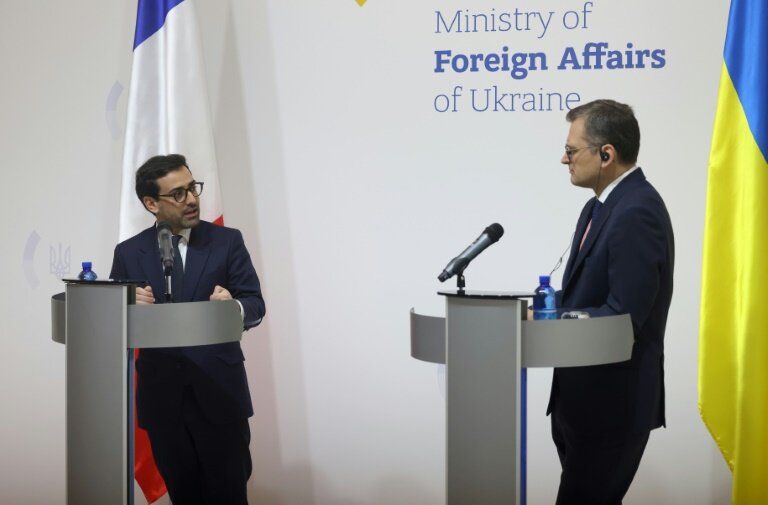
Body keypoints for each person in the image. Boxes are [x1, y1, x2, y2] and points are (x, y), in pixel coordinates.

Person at [110, 154, 266, 505]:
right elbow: (113, 327)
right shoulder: (129, 252)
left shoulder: (227, 241)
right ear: (151, 203)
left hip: (219, 396)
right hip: (163, 400)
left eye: (193, 188)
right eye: (178, 194)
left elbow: (255, 304)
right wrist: (126, 307)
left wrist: (233, 309)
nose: (193, 199)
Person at [547, 99, 674, 505]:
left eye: (571, 150)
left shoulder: (637, 211)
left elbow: (622, 319)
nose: (563, 159)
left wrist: (555, 318)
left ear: (606, 154)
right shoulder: (597, 207)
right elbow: (588, 294)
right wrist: (543, 309)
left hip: (612, 408)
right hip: (580, 404)